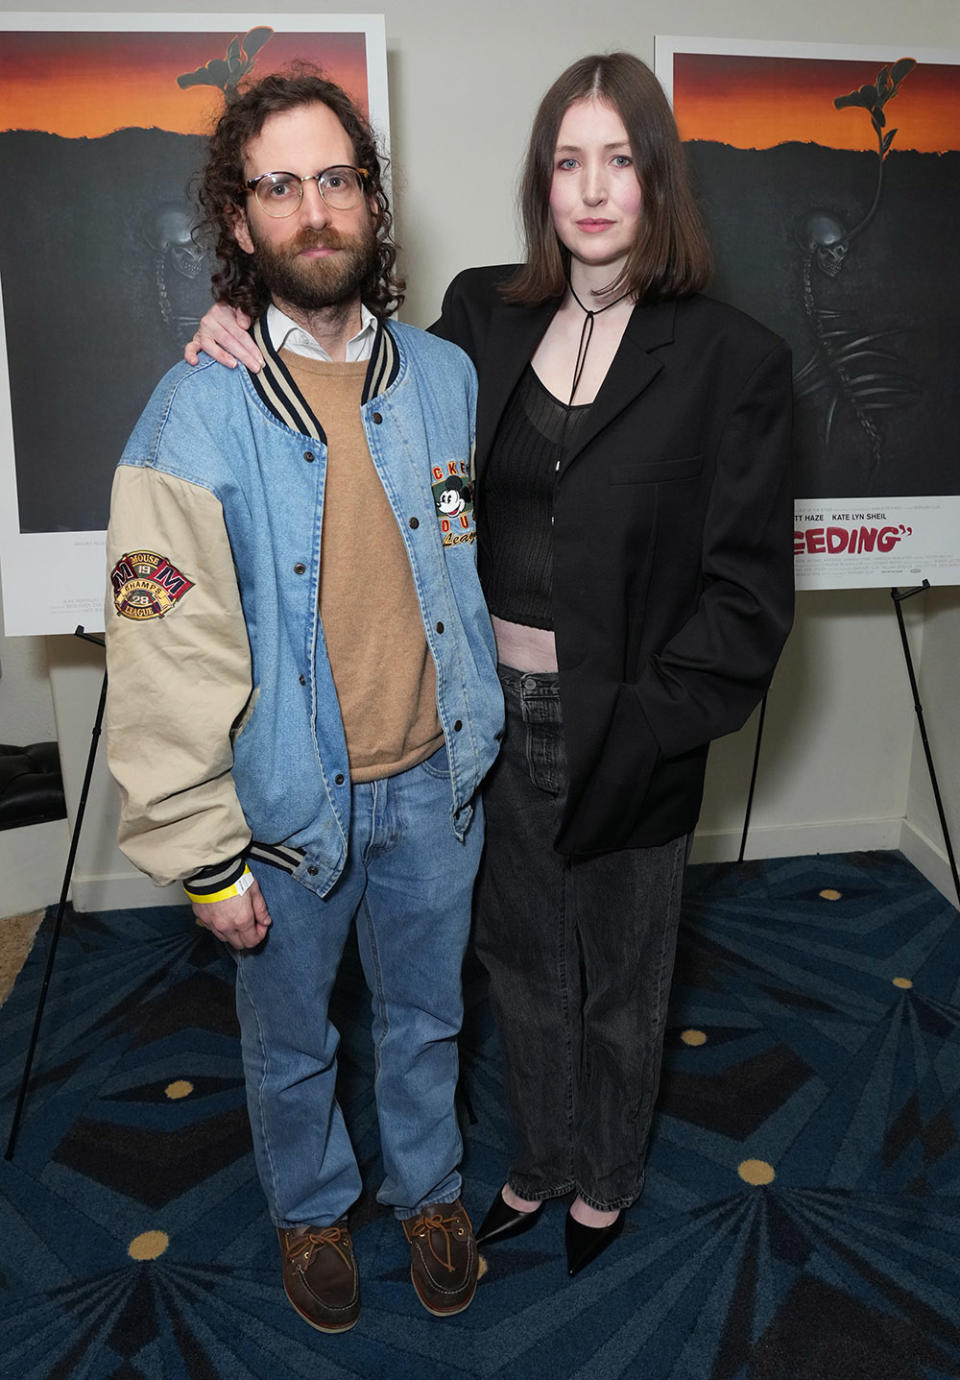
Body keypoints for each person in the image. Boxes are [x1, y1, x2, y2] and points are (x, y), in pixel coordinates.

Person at [187, 52, 794, 1278]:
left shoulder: (735, 360)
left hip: (634, 720)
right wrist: (235, 319)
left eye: (620, 158)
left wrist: (652, 720)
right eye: (568, 160)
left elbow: (745, 600)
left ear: (657, 179)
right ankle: (538, 1160)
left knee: (623, 983)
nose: (592, 188)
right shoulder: (481, 319)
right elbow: (356, 366)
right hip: (484, 723)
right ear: (542, 182)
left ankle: (607, 1180)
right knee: (515, 966)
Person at [105, 71, 503, 1332]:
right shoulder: (195, 409)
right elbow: (162, 654)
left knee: (432, 1019)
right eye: (280, 187)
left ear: (373, 206)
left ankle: (429, 1191)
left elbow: (461, 557)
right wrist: (203, 856)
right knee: (292, 1046)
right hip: (283, 811)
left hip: (439, 785)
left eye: (337, 179)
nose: (314, 210)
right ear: (240, 222)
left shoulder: (444, 379)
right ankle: (312, 1213)